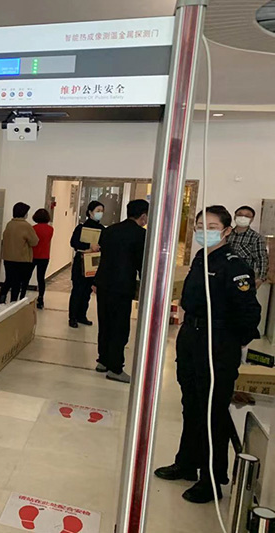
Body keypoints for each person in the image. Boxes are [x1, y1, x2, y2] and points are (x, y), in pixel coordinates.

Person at [155, 205, 261, 503]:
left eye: (212, 226)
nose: (205, 231)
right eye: (200, 225)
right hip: (192, 337)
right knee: (191, 404)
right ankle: (187, 462)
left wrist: (229, 343)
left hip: (217, 344)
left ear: (226, 230)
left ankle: (212, 478)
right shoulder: (201, 257)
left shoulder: (234, 266)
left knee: (212, 411)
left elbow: (249, 314)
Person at [94, 199, 149, 384]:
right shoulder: (141, 235)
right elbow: (142, 263)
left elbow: (103, 256)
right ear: (143, 216)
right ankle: (115, 368)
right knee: (120, 327)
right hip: (122, 286)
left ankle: (103, 360)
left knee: (105, 323)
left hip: (104, 284)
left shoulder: (109, 230)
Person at [68, 201, 105, 328]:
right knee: (77, 290)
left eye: (102, 211)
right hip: (81, 262)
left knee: (87, 291)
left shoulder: (102, 229)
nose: (100, 213)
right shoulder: (81, 227)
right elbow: (74, 243)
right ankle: (72, 317)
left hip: (94, 263)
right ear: (90, 212)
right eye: (98, 210)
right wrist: (89, 246)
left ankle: (82, 315)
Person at [0, 202, 39, 304]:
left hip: (8, 258)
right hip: (21, 259)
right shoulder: (26, 226)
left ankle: (1, 301)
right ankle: (13, 303)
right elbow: (34, 242)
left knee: (8, 280)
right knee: (17, 283)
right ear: (24, 213)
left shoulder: (9, 224)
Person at [228, 205, 269, 289]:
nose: (243, 217)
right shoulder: (226, 234)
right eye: (240, 214)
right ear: (235, 216)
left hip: (243, 277)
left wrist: (260, 278)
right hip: (224, 274)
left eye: (247, 216)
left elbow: (262, 259)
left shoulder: (256, 237)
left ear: (252, 219)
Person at [31, 208, 54, 310]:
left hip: (33, 255)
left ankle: (22, 296)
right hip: (44, 256)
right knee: (41, 278)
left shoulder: (33, 228)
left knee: (27, 276)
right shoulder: (50, 229)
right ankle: (40, 299)